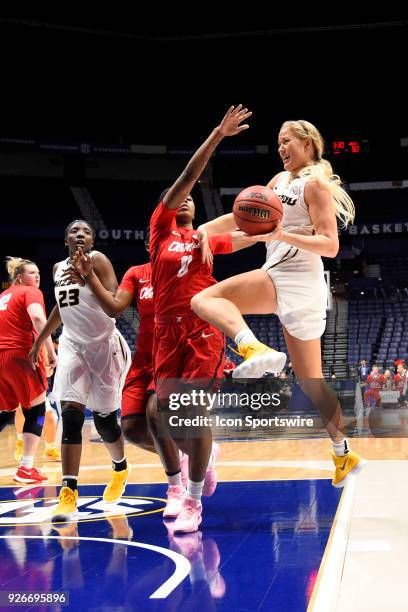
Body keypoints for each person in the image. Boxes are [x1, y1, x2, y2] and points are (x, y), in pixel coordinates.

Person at [191, 118, 366, 487]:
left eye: (287, 141)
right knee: (311, 382)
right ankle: (343, 453)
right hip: (293, 283)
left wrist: (283, 233)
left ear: (308, 144)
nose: (281, 148)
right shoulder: (277, 182)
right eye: (278, 143)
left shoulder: (314, 185)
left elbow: (331, 245)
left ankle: (251, 347)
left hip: (294, 277)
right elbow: (242, 217)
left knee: (207, 297)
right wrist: (203, 232)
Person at [149, 104, 257, 532]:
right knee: (161, 413)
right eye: (182, 196)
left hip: (199, 329)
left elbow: (248, 235)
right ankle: (202, 458)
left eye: (194, 199)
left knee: (193, 412)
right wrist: (217, 135)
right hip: (163, 331)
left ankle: (193, 501)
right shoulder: (160, 228)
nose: (188, 198)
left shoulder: (206, 240)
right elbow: (189, 177)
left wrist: (287, 228)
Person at [28, 220, 131, 521]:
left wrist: (89, 279)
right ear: (66, 240)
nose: (80, 234)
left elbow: (114, 306)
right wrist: (41, 338)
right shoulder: (58, 269)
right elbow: (62, 306)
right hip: (72, 345)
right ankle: (68, 493)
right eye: (74, 230)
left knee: (105, 423)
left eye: (85, 231)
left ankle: (120, 468)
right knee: (71, 415)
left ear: (92, 239)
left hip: (104, 346)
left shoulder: (98, 260)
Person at [0, 257, 57, 483]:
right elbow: (37, 317)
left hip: (2, 357)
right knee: (37, 411)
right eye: (32, 273)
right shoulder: (30, 291)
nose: (37, 276)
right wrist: (51, 352)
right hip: (21, 356)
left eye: (38, 272)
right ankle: (26, 468)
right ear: (20, 277)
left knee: (5, 412)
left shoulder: (3, 296)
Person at [14, 345, 61, 462]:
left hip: (36, 381)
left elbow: (48, 370)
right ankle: (21, 445)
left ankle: (50, 449)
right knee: (21, 410)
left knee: (48, 418)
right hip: (19, 374)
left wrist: (48, 367)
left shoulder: (41, 338)